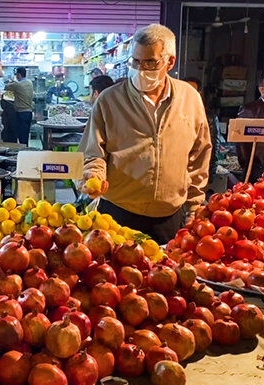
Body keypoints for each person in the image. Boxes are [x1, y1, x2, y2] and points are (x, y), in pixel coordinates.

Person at [78, 24, 211, 244]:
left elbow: (199, 156)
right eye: (135, 61)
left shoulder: (190, 99)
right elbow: (93, 152)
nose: (141, 69)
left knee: (163, 274)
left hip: (169, 217)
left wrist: (194, 206)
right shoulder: (109, 100)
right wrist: (94, 175)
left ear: (170, 62)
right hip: (117, 214)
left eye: (150, 62)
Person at [184, 76, 221, 185]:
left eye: (192, 91)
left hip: (196, 175)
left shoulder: (208, 116)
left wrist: (209, 175)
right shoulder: (172, 113)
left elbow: (213, 147)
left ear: (199, 94)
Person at [236, 74, 264, 182]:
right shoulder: (249, 110)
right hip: (257, 171)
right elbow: (241, 144)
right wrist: (249, 165)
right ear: (262, 89)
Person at [5, 67, 34, 145]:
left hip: (21, 113)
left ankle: (23, 153)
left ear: (18, 74)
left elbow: (6, 87)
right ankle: (26, 150)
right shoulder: (30, 83)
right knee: (26, 134)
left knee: (21, 136)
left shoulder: (17, 84)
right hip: (29, 112)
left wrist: (11, 80)